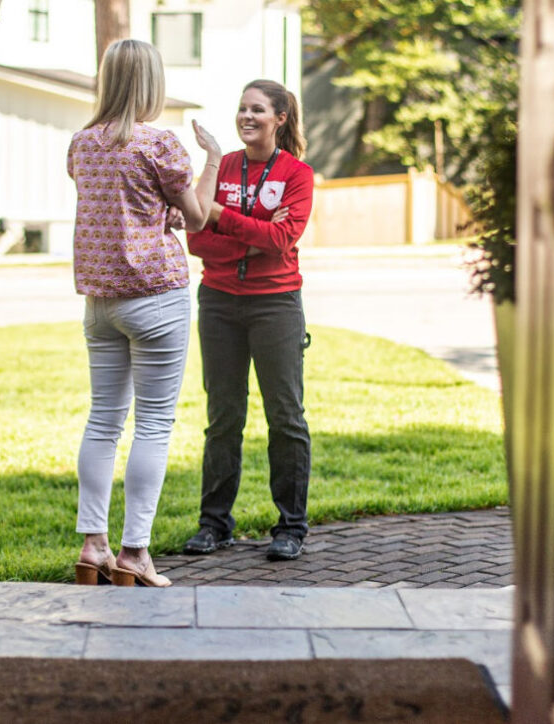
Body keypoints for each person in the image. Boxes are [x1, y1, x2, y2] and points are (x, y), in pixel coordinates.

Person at [67, 39, 221, 587]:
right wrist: (215, 160)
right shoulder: (161, 145)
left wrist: (160, 217)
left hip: (99, 302)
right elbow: (199, 217)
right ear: (152, 83)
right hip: (155, 297)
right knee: (153, 423)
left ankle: (93, 546)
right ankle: (134, 554)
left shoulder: (82, 144)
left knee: (103, 419)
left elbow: (126, 209)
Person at [182, 79, 314, 561]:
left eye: (257, 109)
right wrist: (247, 231)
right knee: (223, 417)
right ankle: (214, 524)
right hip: (218, 300)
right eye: (241, 108)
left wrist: (221, 216)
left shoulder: (297, 174)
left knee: (285, 416)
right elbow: (196, 236)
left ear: (280, 118)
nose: (246, 117)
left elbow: (282, 241)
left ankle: (291, 527)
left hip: (275, 303)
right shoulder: (223, 166)